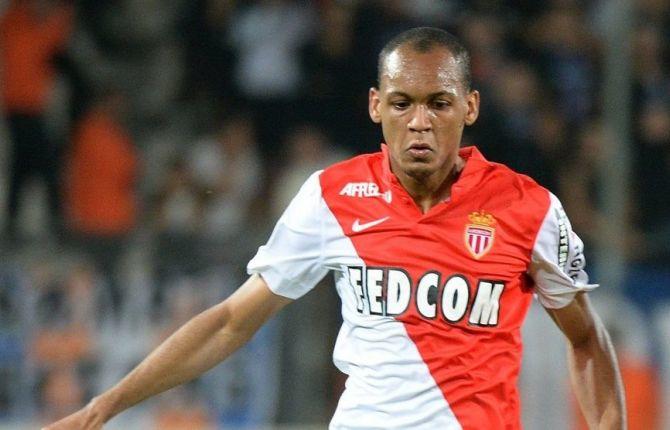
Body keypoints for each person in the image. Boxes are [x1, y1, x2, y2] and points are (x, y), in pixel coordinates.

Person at [44, 27, 626, 430]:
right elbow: (230, 321)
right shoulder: (333, 195)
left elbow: (586, 340)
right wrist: (104, 407)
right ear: (375, 106)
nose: (419, 122)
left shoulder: (529, 208)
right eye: (402, 103)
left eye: (439, 103)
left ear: (469, 107)